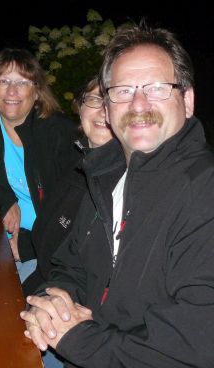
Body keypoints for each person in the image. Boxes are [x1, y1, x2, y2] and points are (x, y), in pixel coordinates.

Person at [20, 24, 214, 367]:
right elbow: (71, 266)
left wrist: (78, 339)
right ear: (108, 110)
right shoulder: (106, 176)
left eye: (156, 88)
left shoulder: (203, 191)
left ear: (187, 101)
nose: (138, 104)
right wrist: (52, 304)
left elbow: (195, 343)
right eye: (123, 91)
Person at [0, 48, 78, 284]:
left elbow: (75, 207)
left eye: (22, 82)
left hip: (49, 248)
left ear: (37, 91)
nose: (12, 91)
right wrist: (4, 199)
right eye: (3, 81)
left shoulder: (59, 133)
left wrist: (29, 246)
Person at [23, 76, 113, 296]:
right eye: (94, 99)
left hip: (66, 296)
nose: (103, 111)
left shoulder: (120, 179)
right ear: (79, 108)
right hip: (41, 278)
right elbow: (51, 229)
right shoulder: (77, 163)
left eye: (112, 101)